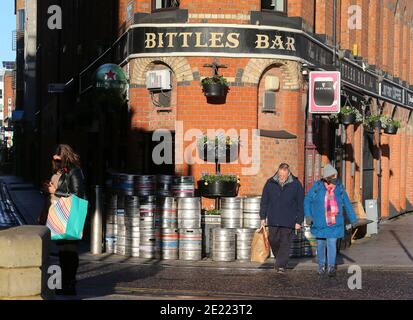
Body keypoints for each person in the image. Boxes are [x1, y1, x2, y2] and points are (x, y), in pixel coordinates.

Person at [41, 144, 86, 295]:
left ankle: (70, 284)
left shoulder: (75, 172)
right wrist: (46, 190)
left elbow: (77, 194)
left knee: (70, 251)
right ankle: (64, 283)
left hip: (70, 215)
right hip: (58, 215)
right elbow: (54, 193)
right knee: (62, 253)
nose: (56, 162)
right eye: (55, 160)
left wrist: (56, 191)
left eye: (59, 160)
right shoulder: (59, 172)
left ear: (66, 158)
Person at [304, 164, 357, 277]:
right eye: (333, 177)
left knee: (332, 243)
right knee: (320, 244)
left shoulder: (339, 188)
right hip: (320, 222)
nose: (335, 180)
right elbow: (307, 200)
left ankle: (331, 267)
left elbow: (347, 203)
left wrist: (353, 219)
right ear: (326, 178)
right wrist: (308, 215)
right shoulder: (317, 187)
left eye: (335, 177)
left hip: (334, 222)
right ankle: (321, 266)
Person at [259, 163, 305, 273]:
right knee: (273, 240)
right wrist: (262, 217)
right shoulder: (270, 183)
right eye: (280, 175)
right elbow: (264, 202)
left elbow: (300, 204)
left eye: (284, 176)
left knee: (285, 243)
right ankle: (280, 259)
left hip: (289, 220)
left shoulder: (296, 184)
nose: (282, 178)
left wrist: (299, 221)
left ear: (288, 173)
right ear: (278, 172)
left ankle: (281, 265)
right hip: (273, 219)